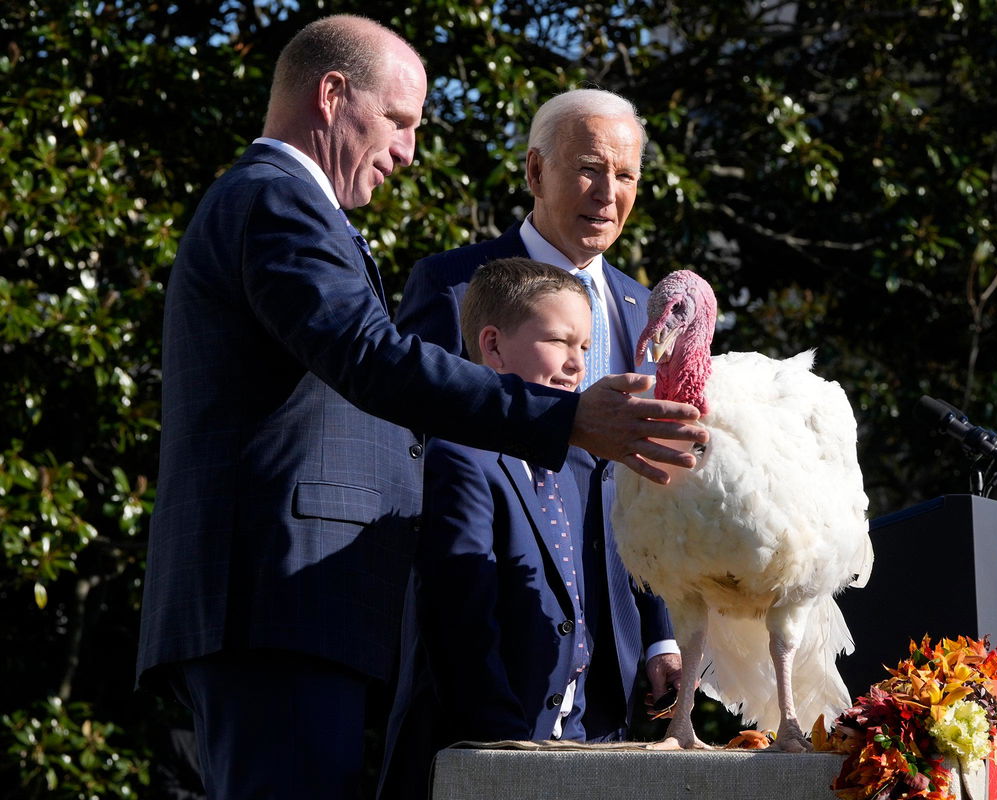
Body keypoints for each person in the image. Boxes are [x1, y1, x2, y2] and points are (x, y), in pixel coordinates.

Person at [133, 16, 705, 800]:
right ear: (332, 95)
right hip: (277, 605)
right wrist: (564, 417)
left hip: (296, 611)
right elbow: (373, 358)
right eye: (399, 122)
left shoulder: (283, 206)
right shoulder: (276, 201)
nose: (406, 152)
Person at [390, 88, 683, 745]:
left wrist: (662, 626)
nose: (608, 193)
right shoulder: (453, 286)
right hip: (489, 639)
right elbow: (416, 445)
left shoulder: (647, 310)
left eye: (627, 175)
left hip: (615, 659)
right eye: (589, 168)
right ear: (534, 171)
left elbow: (650, 483)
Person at [389, 257, 600, 797]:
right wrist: (507, 752)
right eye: (559, 341)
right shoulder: (461, 456)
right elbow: (462, 623)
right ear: (493, 346)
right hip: (485, 759)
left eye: (584, 346)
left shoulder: (571, 468)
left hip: (561, 754)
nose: (577, 364)